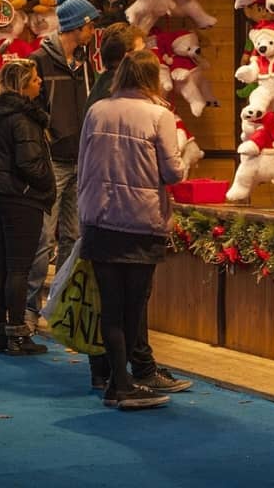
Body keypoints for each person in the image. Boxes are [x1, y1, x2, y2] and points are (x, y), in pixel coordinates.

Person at [84, 23, 191, 395]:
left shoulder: (97, 110)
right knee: (135, 307)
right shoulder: (159, 115)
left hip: (100, 219)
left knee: (110, 307)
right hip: (141, 220)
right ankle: (128, 380)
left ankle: (117, 380)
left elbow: (84, 163)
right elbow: (173, 171)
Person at [23, 0, 99, 333]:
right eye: (89, 24)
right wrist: (49, 131)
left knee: (72, 234)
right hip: (53, 159)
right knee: (43, 237)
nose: (93, 29)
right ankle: (28, 307)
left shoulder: (86, 64)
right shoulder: (40, 60)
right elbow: (31, 103)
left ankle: (62, 306)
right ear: (77, 26)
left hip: (81, 157)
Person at [0, 59, 56, 355]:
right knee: (19, 268)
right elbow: (29, 163)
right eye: (35, 79)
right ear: (22, 85)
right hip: (20, 197)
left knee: (2, 266)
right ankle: (17, 335)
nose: (40, 83)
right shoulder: (23, 118)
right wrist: (48, 182)